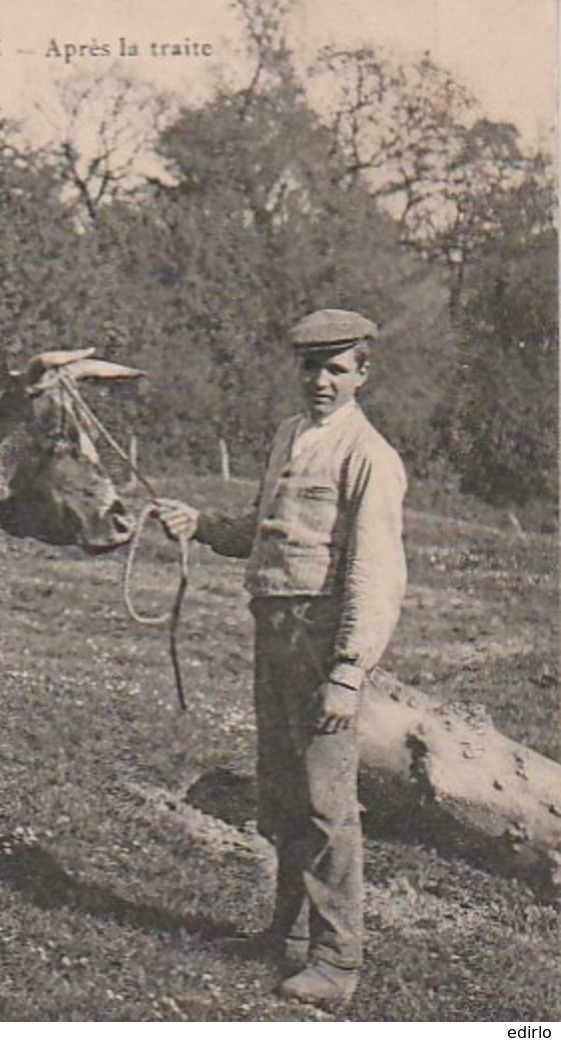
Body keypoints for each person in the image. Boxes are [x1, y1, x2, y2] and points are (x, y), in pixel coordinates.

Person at [154, 308, 407, 1008]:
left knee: (327, 803)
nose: (320, 380)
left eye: (336, 368)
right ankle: (287, 935)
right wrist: (201, 524)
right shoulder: (287, 436)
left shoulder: (369, 457)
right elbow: (264, 531)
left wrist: (347, 672)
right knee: (282, 792)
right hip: (273, 631)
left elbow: (374, 575)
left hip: (322, 640)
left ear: (362, 373)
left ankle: (337, 958)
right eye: (309, 366)